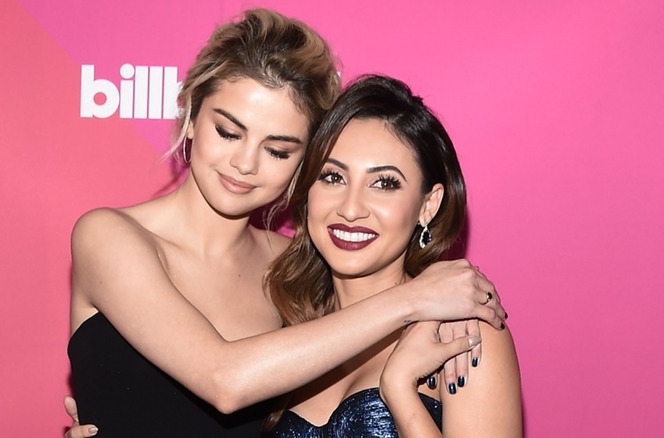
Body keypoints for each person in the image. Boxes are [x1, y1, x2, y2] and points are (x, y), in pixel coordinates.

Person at [65, 9, 506, 438]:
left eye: (277, 150)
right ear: (191, 115)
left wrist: (445, 300)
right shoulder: (109, 236)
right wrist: (421, 298)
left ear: (303, 163)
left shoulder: (292, 271)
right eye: (229, 131)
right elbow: (224, 380)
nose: (244, 163)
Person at [264, 74, 522, 437]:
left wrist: (400, 390)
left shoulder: (462, 335)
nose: (351, 209)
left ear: (428, 205)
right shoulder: (284, 324)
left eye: (384, 183)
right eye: (333, 178)